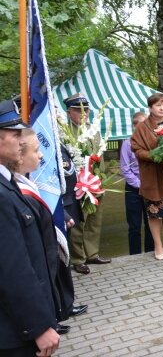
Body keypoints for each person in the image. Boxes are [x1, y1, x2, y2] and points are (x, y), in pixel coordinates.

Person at [10, 128, 88, 333]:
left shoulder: (24, 182)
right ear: (18, 157)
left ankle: (59, 309)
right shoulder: (14, 190)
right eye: (36, 150)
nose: (42, 154)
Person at [0, 99, 60, 356]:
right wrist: (38, 326)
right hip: (16, 333)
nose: (21, 141)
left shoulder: (7, 184)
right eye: (15, 134)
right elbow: (12, 268)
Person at [63, 93, 111, 275]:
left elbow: (101, 157)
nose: (83, 114)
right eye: (78, 110)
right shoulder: (64, 132)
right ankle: (78, 258)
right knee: (78, 222)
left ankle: (92, 253)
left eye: (86, 110)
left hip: (95, 181)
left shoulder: (93, 129)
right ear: (69, 112)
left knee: (94, 220)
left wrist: (101, 180)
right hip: (77, 184)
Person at [130, 93, 163, 260]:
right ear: (150, 107)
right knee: (154, 212)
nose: (162, 108)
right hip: (153, 175)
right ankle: (158, 245)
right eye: (158, 105)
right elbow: (136, 149)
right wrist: (153, 155)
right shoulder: (142, 127)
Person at [120, 111, 154, 255]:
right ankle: (135, 255)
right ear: (135, 126)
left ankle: (150, 250)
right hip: (134, 190)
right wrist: (140, 185)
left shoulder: (152, 142)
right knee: (134, 225)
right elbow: (125, 169)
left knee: (151, 222)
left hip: (151, 188)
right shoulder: (127, 144)